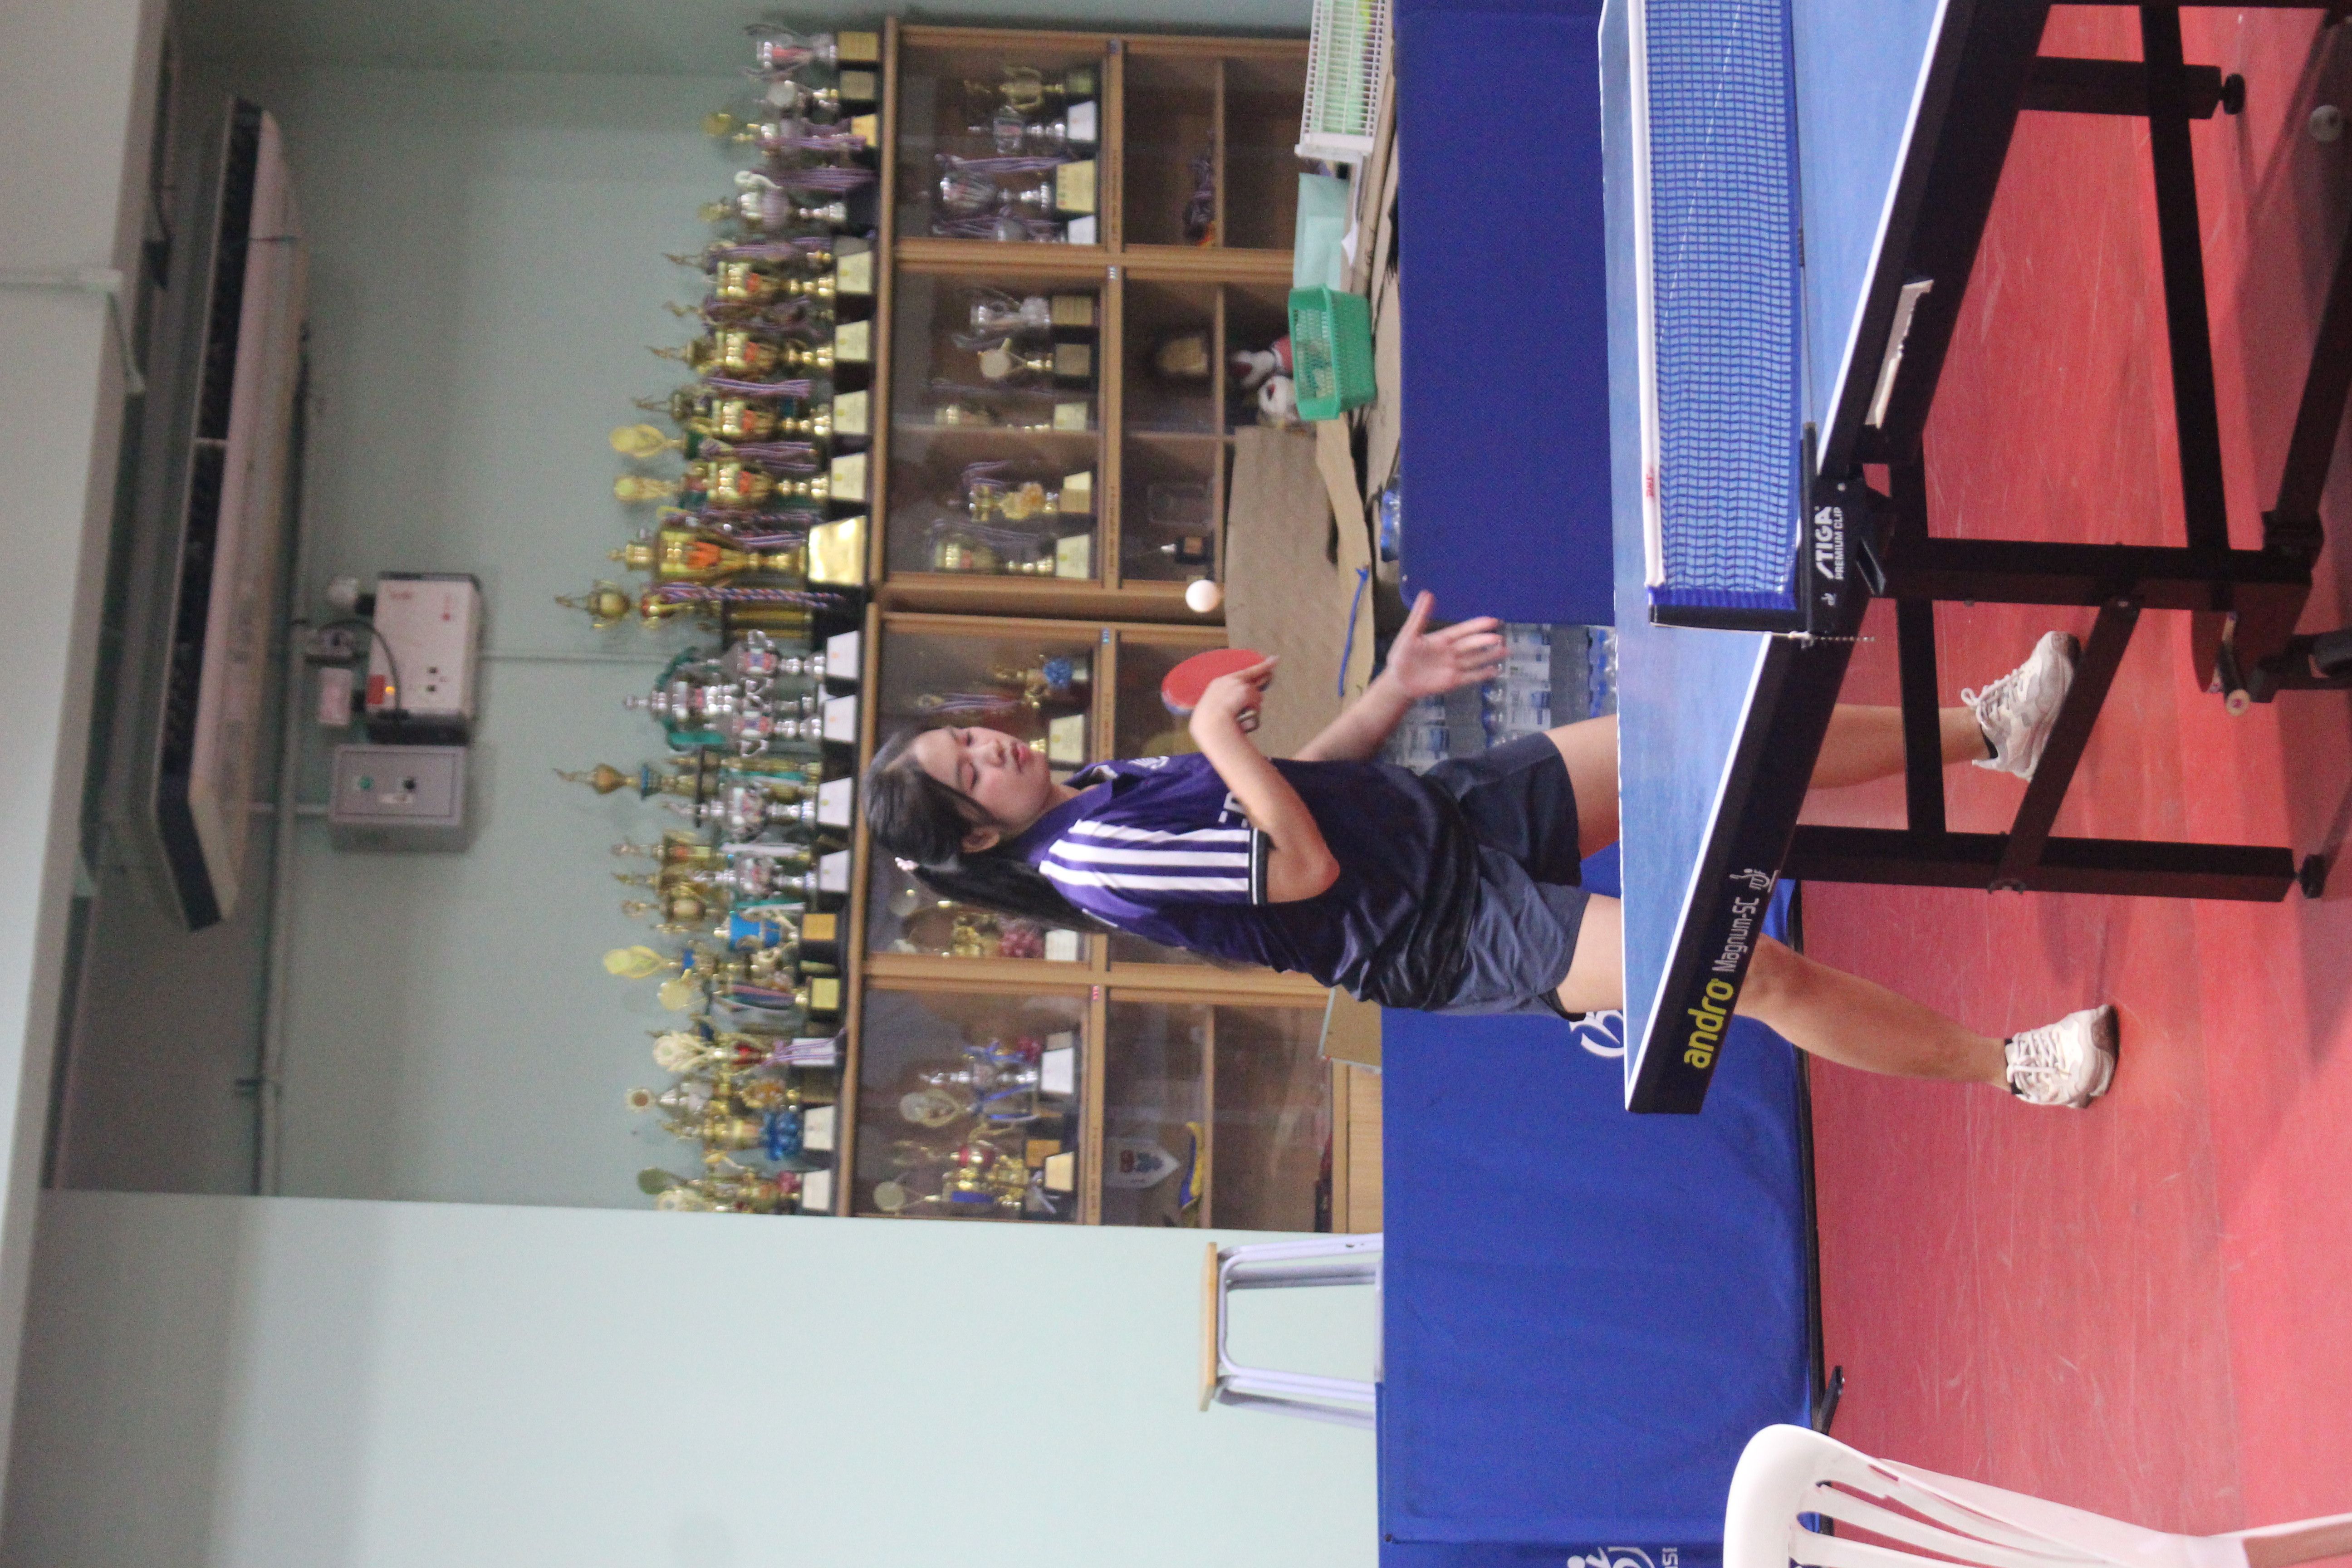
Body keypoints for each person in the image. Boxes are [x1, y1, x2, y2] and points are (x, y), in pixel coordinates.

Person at [864, 593, 2118, 1108]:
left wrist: (1393, 689)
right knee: (1749, 973)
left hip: (1435, 822)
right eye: (967, 772)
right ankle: (2013, 1068)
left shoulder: (1095, 788)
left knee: (1695, 748)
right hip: (1440, 931)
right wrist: (1210, 736)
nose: (987, 746)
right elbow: (1299, 872)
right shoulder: (1098, 861)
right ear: (978, 834)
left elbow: (1302, 795)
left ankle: (1988, 732)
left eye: (965, 735)